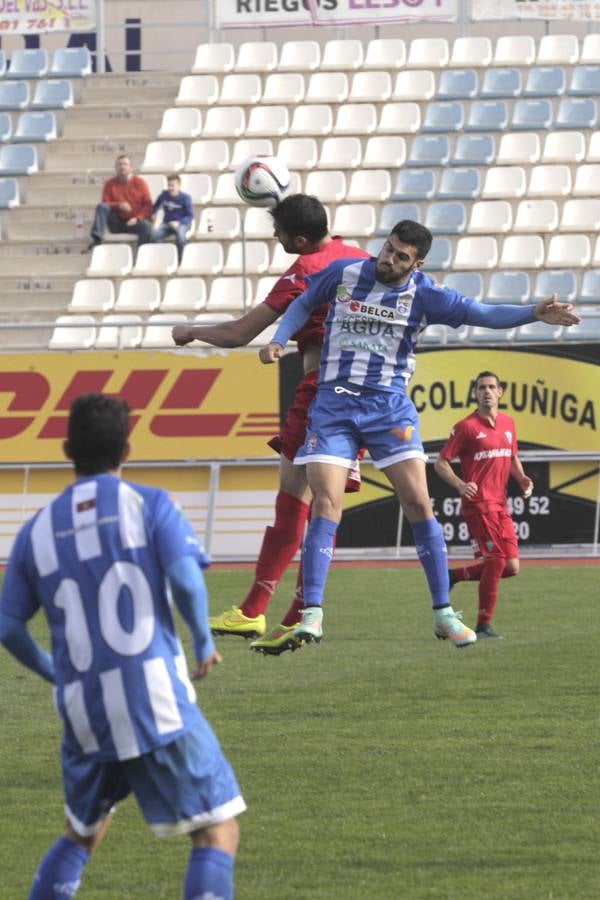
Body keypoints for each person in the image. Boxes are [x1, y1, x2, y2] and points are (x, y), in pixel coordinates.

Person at [258, 219, 580, 649]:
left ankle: (443, 612)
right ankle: (312, 614)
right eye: (388, 249)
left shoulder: (426, 294)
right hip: (333, 406)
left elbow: (481, 313)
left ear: (418, 263)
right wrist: (280, 338)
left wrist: (531, 313)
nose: (388, 260)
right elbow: (301, 305)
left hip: (388, 409)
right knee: (326, 504)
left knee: (419, 504)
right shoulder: (346, 274)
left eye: (400, 256)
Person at [0, 393, 245, 900]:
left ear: (67, 449)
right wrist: (202, 640)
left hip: (84, 710)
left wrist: (55, 673)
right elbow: (185, 579)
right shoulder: (148, 504)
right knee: (217, 830)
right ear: (127, 449)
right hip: (153, 697)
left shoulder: (34, 531)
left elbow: (7, 627)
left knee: (84, 832)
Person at [172, 193, 369, 656]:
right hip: (364, 392)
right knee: (326, 501)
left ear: (299, 237)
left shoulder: (303, 272)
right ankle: (294, 611)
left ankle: (256, 608)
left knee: (294, 498)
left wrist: (192, 331)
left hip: (320, 389)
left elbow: (241, 333)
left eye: (278, 231)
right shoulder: (362, 257)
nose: (275, 236)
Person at [434, 371, 533, 639]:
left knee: (511, 567)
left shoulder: (509, 423)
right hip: (478, 505)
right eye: (481, 388)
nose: (486, 391)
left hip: (500, 504)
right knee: (496, 560)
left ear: (500, 391)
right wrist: (459, 484)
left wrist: (522, 478)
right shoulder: (466, 426)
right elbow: (441, 462)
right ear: (476, 393)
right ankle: (483, 625)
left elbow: (511, 457)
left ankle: (453, 576)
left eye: (491, 387)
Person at [86, 154, 152, 250]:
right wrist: (119, 205)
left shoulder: (140, 183)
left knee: (145, 226)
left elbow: (148, 205)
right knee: (101, 207)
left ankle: (142, 253)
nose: (122, 166)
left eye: (125, 164)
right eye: (119, 164)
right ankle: (97, 239)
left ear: (131, 168)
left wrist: (137, 218)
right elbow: (105, 203)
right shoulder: (110, 184)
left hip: (134, 222)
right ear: (115, 168)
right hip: (117, 222)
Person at [151, 173, 194, 262]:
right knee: (154, 235)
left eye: (172, 185)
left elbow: (190, 215)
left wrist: (179, 223)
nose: (170, 188)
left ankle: (181, 260)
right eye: (169, 185)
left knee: (181, 238)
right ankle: (163, 257)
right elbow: (156, 206)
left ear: (179, 185)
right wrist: (154, 213)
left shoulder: (186, 198)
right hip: (167, 223)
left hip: (181, 223)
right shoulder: (164, 195)